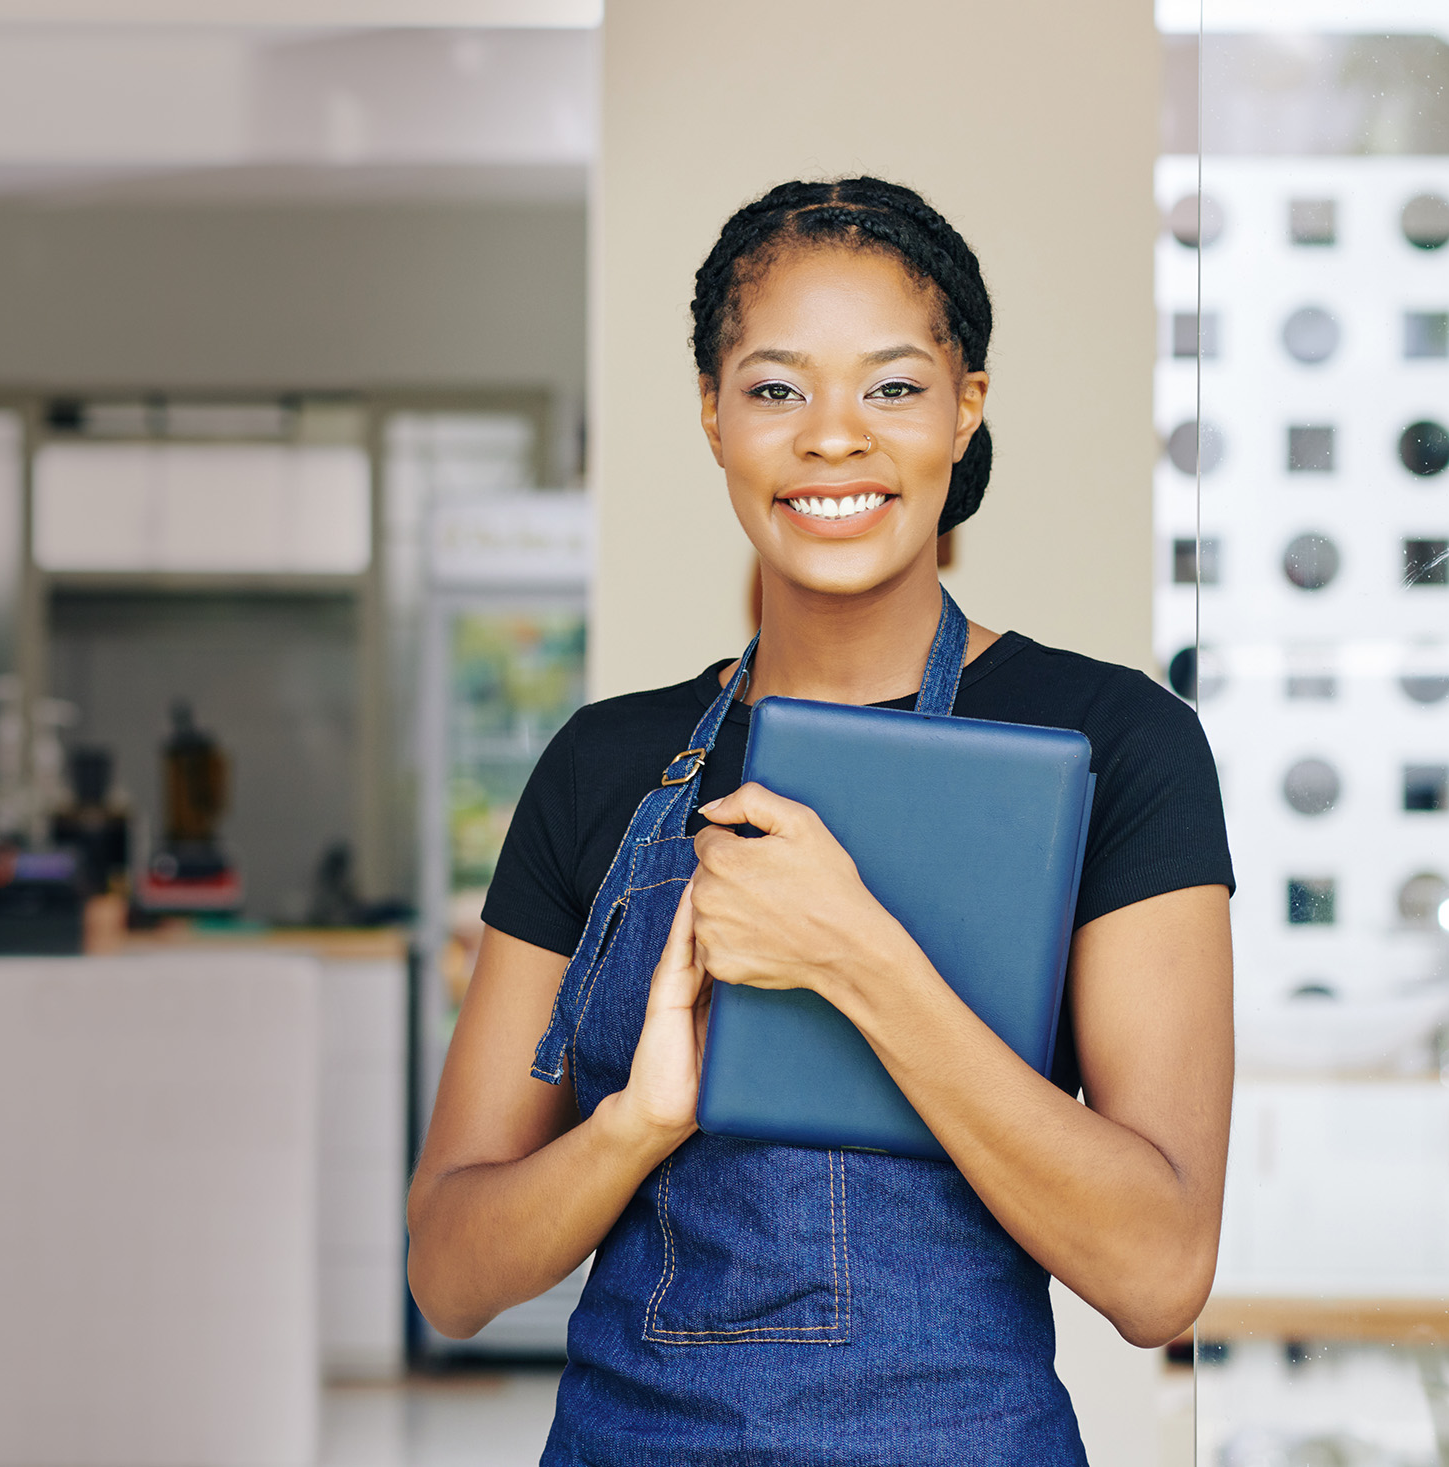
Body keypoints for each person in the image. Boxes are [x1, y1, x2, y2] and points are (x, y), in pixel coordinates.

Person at [405, 177, 1235, 1463]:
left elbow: (1158, 1269)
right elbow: (449, 1273)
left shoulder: (1113, 747)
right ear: (712, 418)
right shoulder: (602, 762)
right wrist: (639, 1121)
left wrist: (852, 957)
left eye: (894, 387)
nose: (831, 438)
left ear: (966, 409)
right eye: (776, 388)